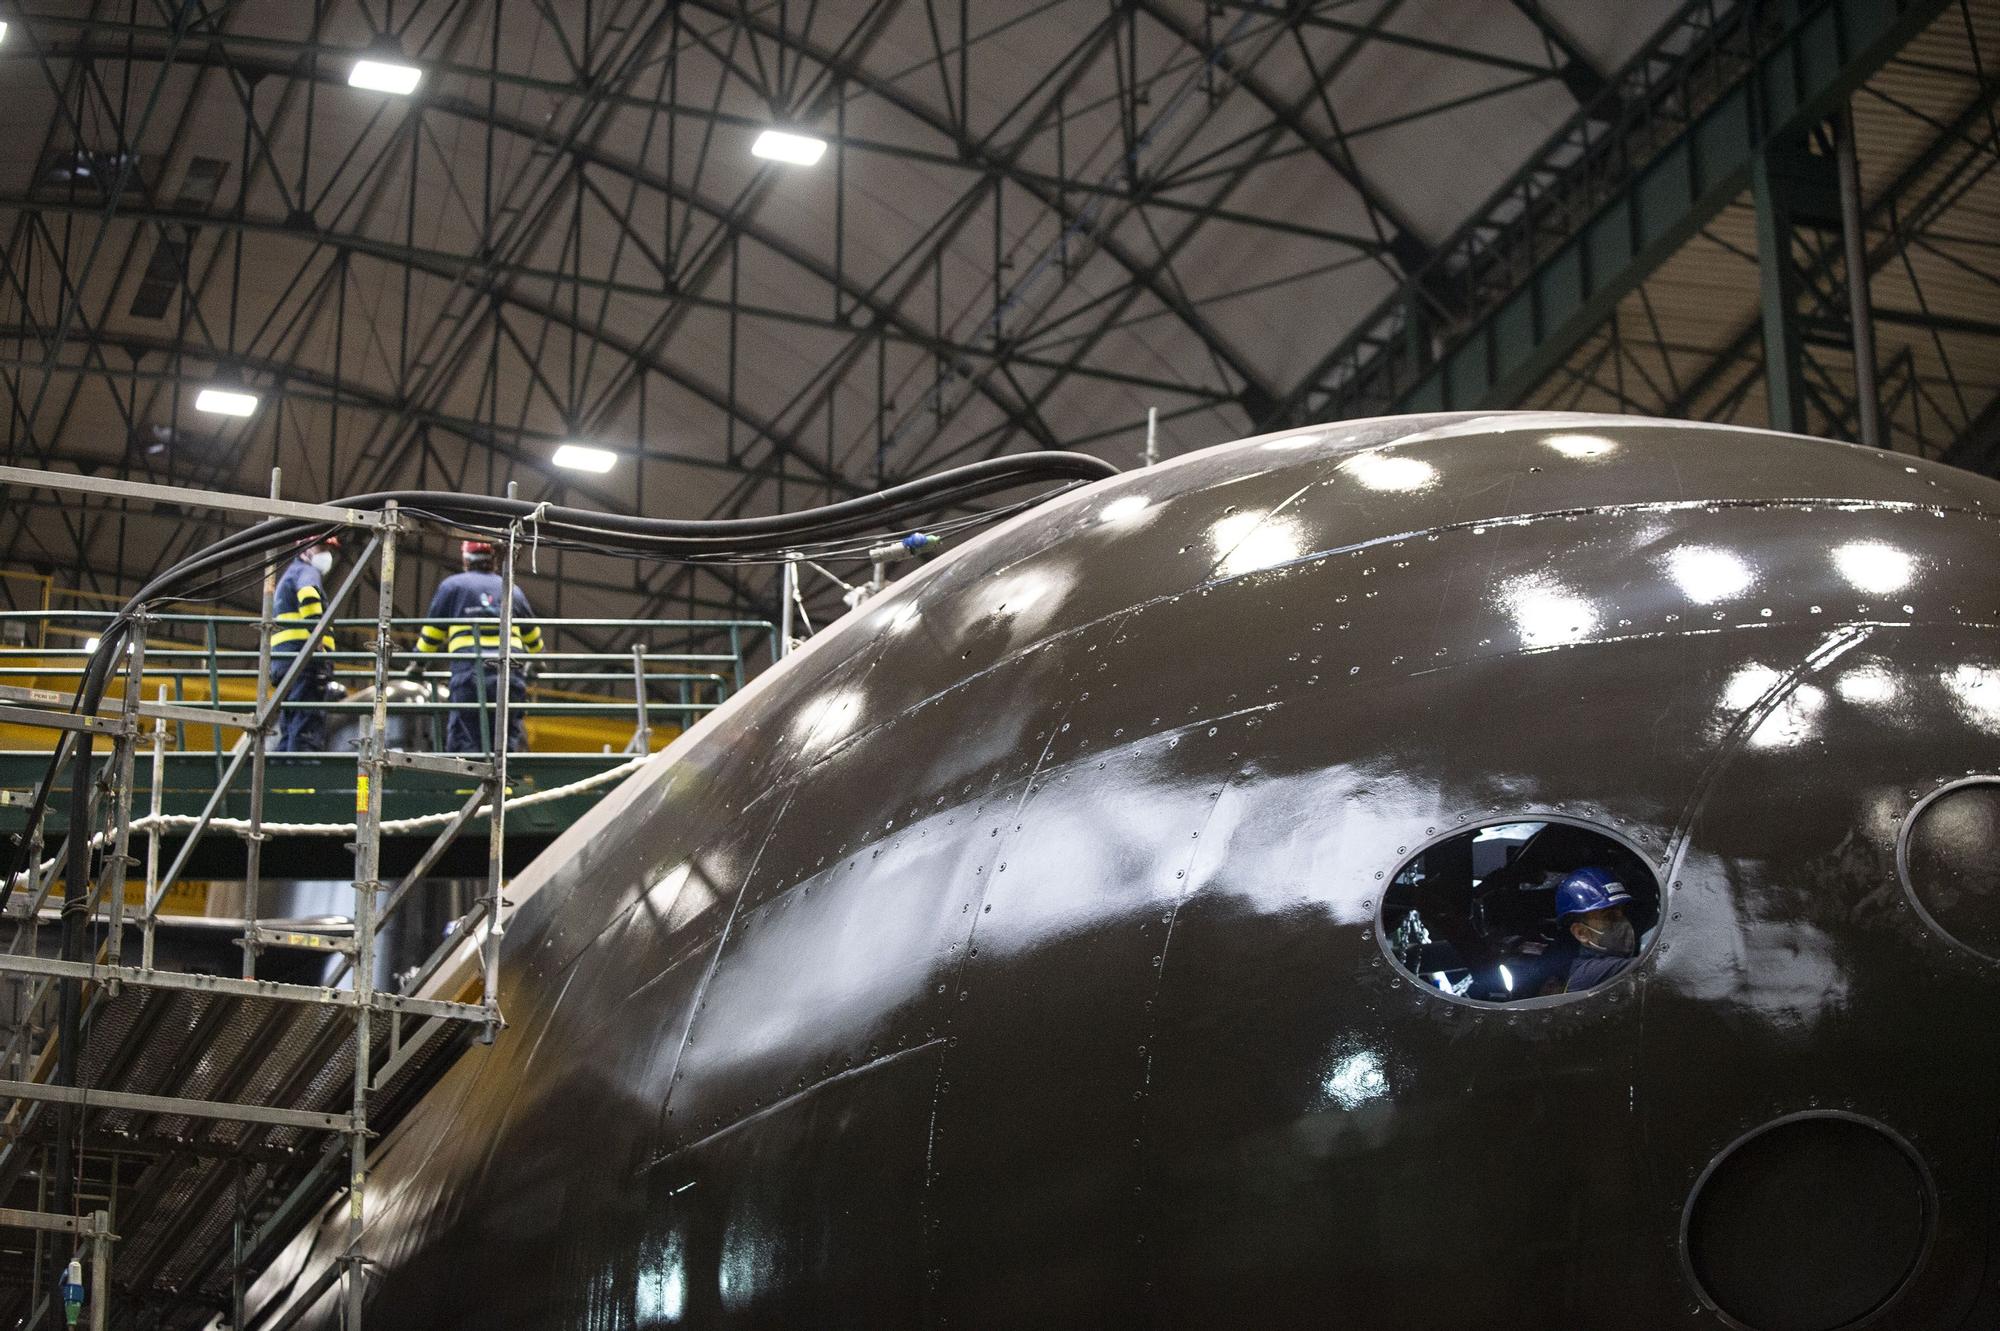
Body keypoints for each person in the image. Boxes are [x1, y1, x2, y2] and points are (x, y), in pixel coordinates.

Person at [415, 540, 543, 753]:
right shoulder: (512, 590)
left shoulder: (452, 586)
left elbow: (432, 633)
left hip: (470, 674)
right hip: (509, 675)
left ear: (465, 559)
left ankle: (468, 786)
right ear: (494, 560)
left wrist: (418, 663)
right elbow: (532, 635)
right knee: (504, 738)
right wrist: (538, 660)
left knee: (467, 736)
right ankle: (504, 786)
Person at [269, 536, 340, 752]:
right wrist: (316, 638)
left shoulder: (289, 575)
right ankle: (301, 784)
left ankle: (285, 781)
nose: (326, 555)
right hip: (305, 662)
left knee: (290, 727)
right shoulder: (307, 572)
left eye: (329, 549)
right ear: (304, 549)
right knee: (306, 728)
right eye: (321, 547)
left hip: (286, 663)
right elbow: (308, 595)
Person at [1554, 866, 1640, 993]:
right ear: (1581, 933)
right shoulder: (1590, 973)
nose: (1623, 922)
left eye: (1623, 912)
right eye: (1610, 916)